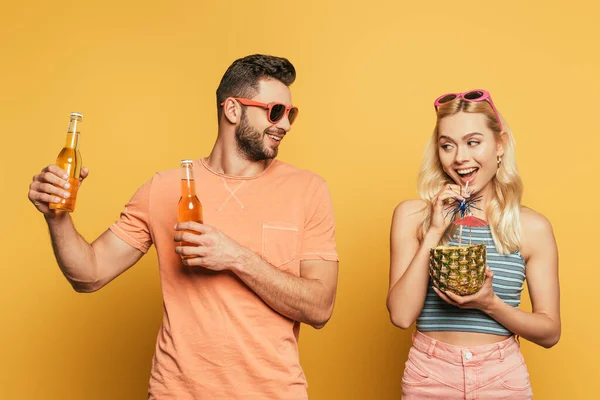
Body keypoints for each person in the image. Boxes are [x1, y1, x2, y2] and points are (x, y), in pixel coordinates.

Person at [28, 54, 339, 399]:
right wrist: (56, 217)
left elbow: (320, 308)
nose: (286, 124)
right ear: (233, 110)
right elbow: (89, 274)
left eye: (291, 114)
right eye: (275, 111)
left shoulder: (307, 190)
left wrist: (235, 257)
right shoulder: (163, 188)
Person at [386, 90, 560, 399]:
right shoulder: (413, 216)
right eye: (447, 146)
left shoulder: (531, 228)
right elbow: (400, 316)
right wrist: (435, 231)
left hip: (502, 376)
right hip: (430, 375)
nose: (460, 158)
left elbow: (550, 332)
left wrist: (490, 303)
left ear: (500, 145)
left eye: (473, 142)